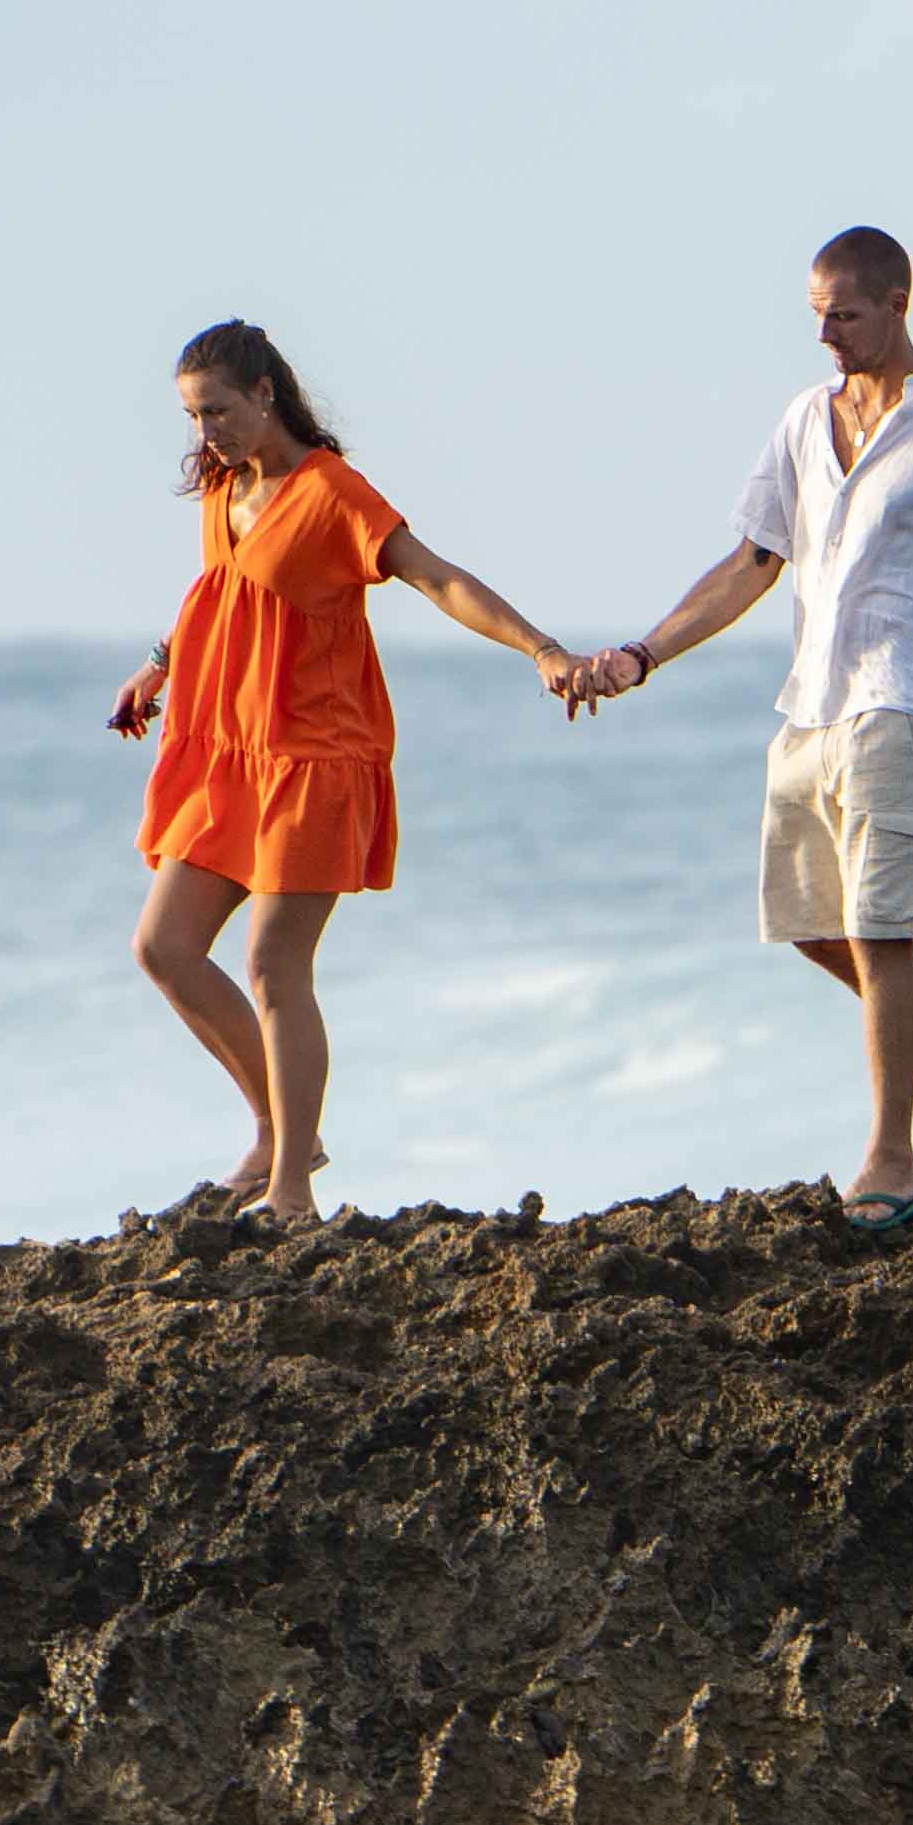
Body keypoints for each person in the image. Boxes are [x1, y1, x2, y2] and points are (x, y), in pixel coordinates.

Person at [558, 226, 913, 1230]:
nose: (824, 331)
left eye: (845, 312)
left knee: (879, 925)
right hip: (810, 708)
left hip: (907, 705)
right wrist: (643, 654)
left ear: (898, 303)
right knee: (815, 926)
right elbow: (749, 562)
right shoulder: (799, 422)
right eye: (814, 311)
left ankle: (889, 1158)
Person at [106, 317, 587, 1229]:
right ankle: (275, 1126)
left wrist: (542, 649)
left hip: (318, 755)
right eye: (193, 417)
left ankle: (292, 1187)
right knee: (163, 949)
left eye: (218, 411)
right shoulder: (225, 485)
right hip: (230, 750)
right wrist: (159, 666)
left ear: (265, 394)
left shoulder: (332, 494)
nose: (206, 432)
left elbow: (436, 578)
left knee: (274, 965)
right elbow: (225, 588)